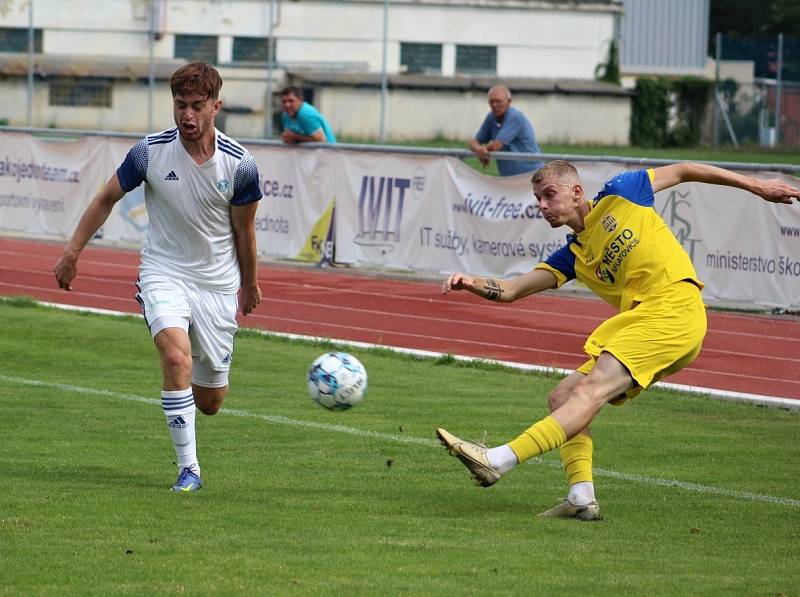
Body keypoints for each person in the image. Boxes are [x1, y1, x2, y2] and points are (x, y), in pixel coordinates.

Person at [437, 160, 799, 520]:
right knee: (562, 396)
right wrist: (472, 283)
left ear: (576, 191)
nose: (542, 206)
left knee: (587, 392)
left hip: (675, 308)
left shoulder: (622, 192)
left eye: (549, 195)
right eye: (537, 199)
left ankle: (497, 460)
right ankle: (581, 497)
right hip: (647, 320)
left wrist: (756, 185)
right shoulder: (574, 255)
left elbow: (686, 169)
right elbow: (513, 289)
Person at [53, 62, 263, 493]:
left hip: (218, 286)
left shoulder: (241, 165)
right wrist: (72, 253)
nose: (187, 115)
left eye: (197, 106)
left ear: (215, 107)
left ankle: (207, 393)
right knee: (174, 357)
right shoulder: (149, 153)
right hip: (164, 272)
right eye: (180, 105)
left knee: (211, 402)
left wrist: (250, 283)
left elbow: (245, 230)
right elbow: (106, 198)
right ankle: (189, 469)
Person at [469, 84, 543, 177]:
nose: (494, 105)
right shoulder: (491, 117)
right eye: (491, 101)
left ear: (509, 101)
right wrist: (479, 150)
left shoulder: (515, 116)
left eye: (498, 101)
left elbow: (497, 145)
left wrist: (483, 151)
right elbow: (474, 142)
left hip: (532, 176)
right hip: (510, 179)